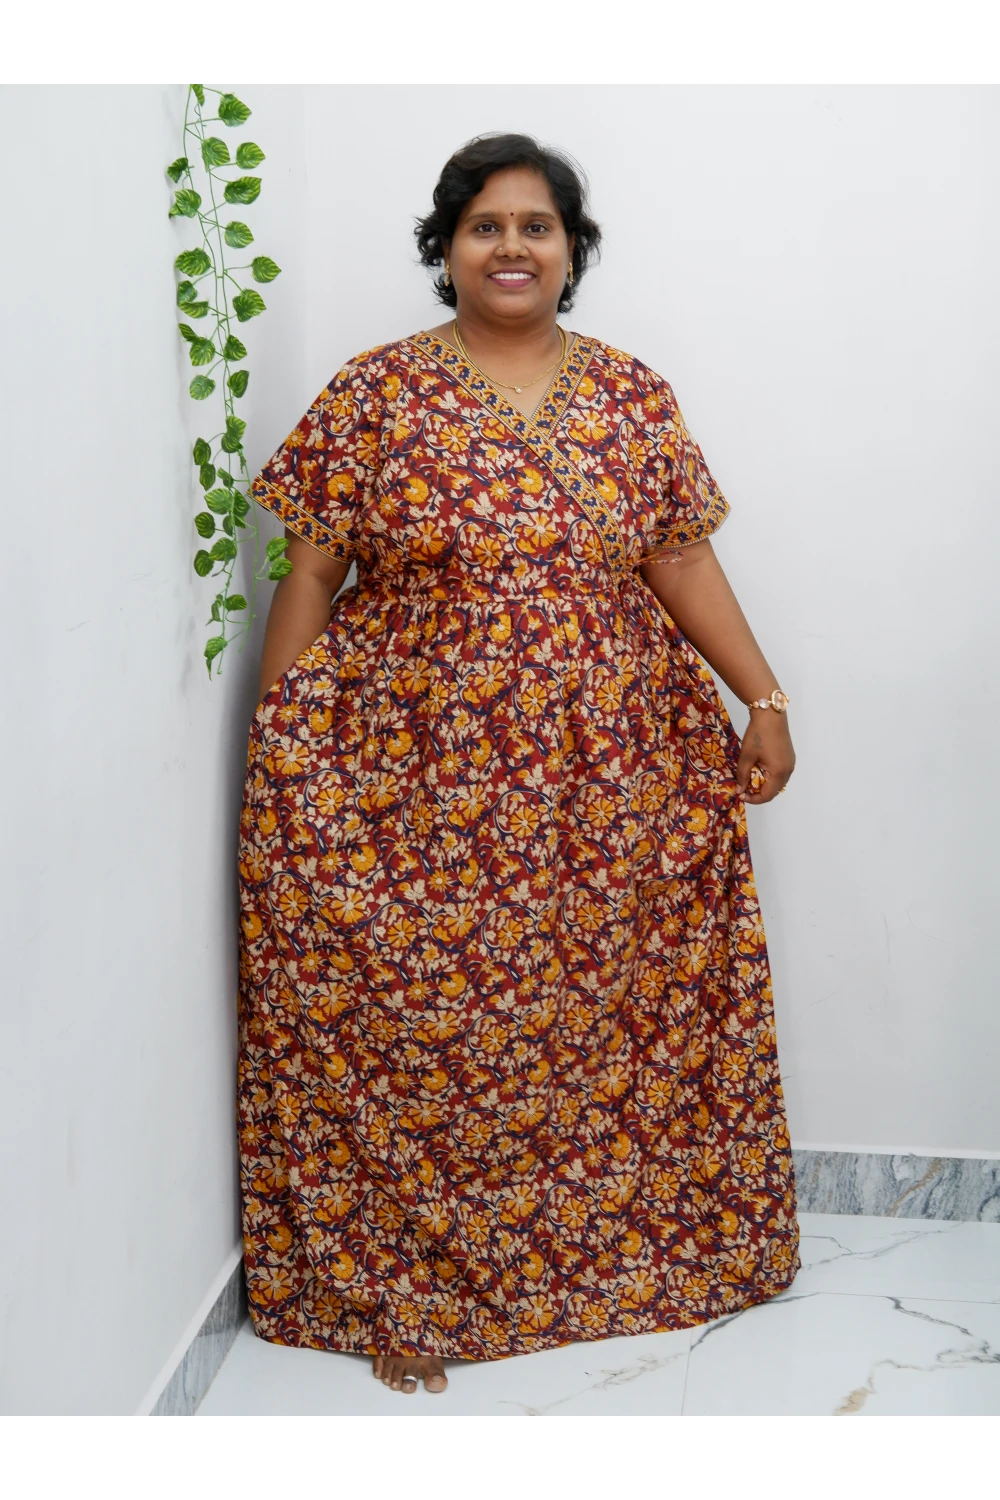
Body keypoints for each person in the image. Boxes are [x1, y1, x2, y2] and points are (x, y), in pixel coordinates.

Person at [238, 133, 799, 1397]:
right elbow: (313, 572)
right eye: (484, 226)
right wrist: (281, 735)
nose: (510, 247)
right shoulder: (377, 391)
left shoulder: (630, 393)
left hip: (615, 774)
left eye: (535, 226)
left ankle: (619, 1266)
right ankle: (414, 1285)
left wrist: (760, 698)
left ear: (570, 250)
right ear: (445, 249)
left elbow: (678, 557)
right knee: (429, 1022)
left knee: (605, 1016)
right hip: (416, 776)